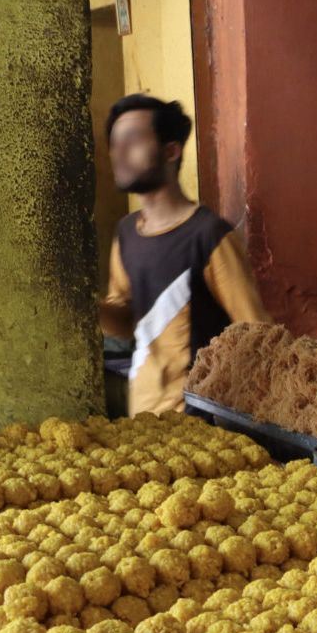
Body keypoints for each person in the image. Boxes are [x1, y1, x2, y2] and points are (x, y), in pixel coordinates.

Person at [98, 94, 271, 414]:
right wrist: (87, 308)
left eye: (133, 140)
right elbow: (126, 320)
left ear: (171, 151)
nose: (118, 153)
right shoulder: (125, 233)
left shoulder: (208, 235)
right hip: (144, 416)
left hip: (197, 422)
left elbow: (257, 334)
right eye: (114, 142)